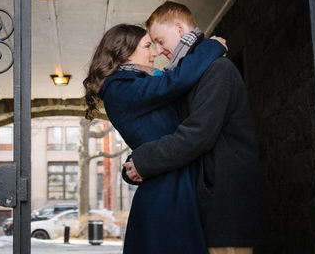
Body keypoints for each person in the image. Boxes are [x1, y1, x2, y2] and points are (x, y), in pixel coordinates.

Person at [123, 1, 264, 254]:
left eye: (160, 40)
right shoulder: (190, 74)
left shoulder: (218, 70)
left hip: (223, 210)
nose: (158, 50)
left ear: (179, 28)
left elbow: (197, 134)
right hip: (203, 210)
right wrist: (135, 163)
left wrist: (143, 161)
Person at [84, 23, 226, 253]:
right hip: (166, 195)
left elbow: (152, 133)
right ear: (125, 53)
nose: (155, 53)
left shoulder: (133, 85)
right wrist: (211, 46)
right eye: (148, 46)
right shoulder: (120, 88)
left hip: (171, 186)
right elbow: (177, 80)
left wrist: (136, 162)